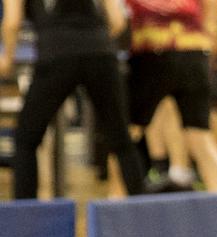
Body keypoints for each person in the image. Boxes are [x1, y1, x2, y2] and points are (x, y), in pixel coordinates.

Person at [0, 0, 145, 198]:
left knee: (26, 140)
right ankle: (145, 214)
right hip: (101, 53)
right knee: (121, 140)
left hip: (56, 54)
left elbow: (12, 22)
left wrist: (8, 59)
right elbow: (118, 21)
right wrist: (94, 41)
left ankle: (26, 217)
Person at [124, 0, 217, 191]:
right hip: (193, 54)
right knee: (200, 136)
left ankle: (115, 203)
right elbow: (213, 24)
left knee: (126, 138)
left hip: (152, 55)